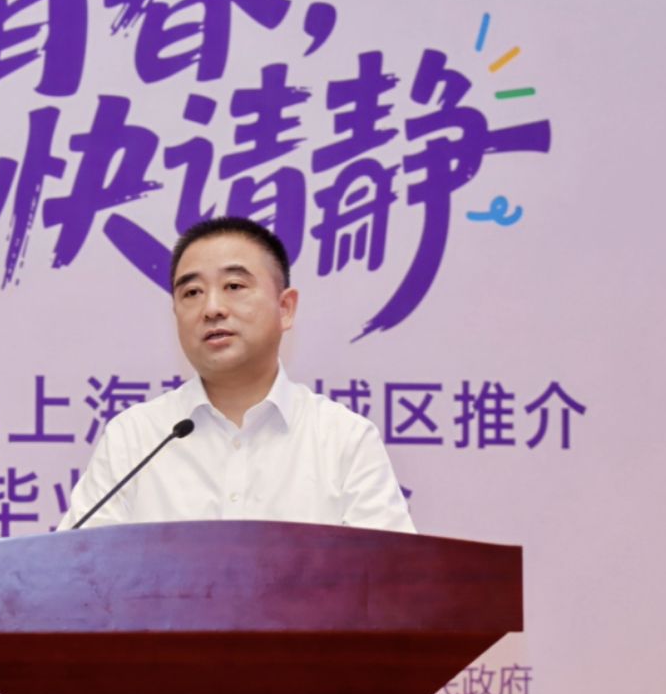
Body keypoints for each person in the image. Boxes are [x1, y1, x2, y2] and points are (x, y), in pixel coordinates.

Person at [57, 216, 416, 533]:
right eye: (192, 292)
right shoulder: (135, 437)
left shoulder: (344, 439)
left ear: (285, 307)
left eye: (234, 286)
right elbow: (72, 570)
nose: (212, 308)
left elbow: (393, 578)